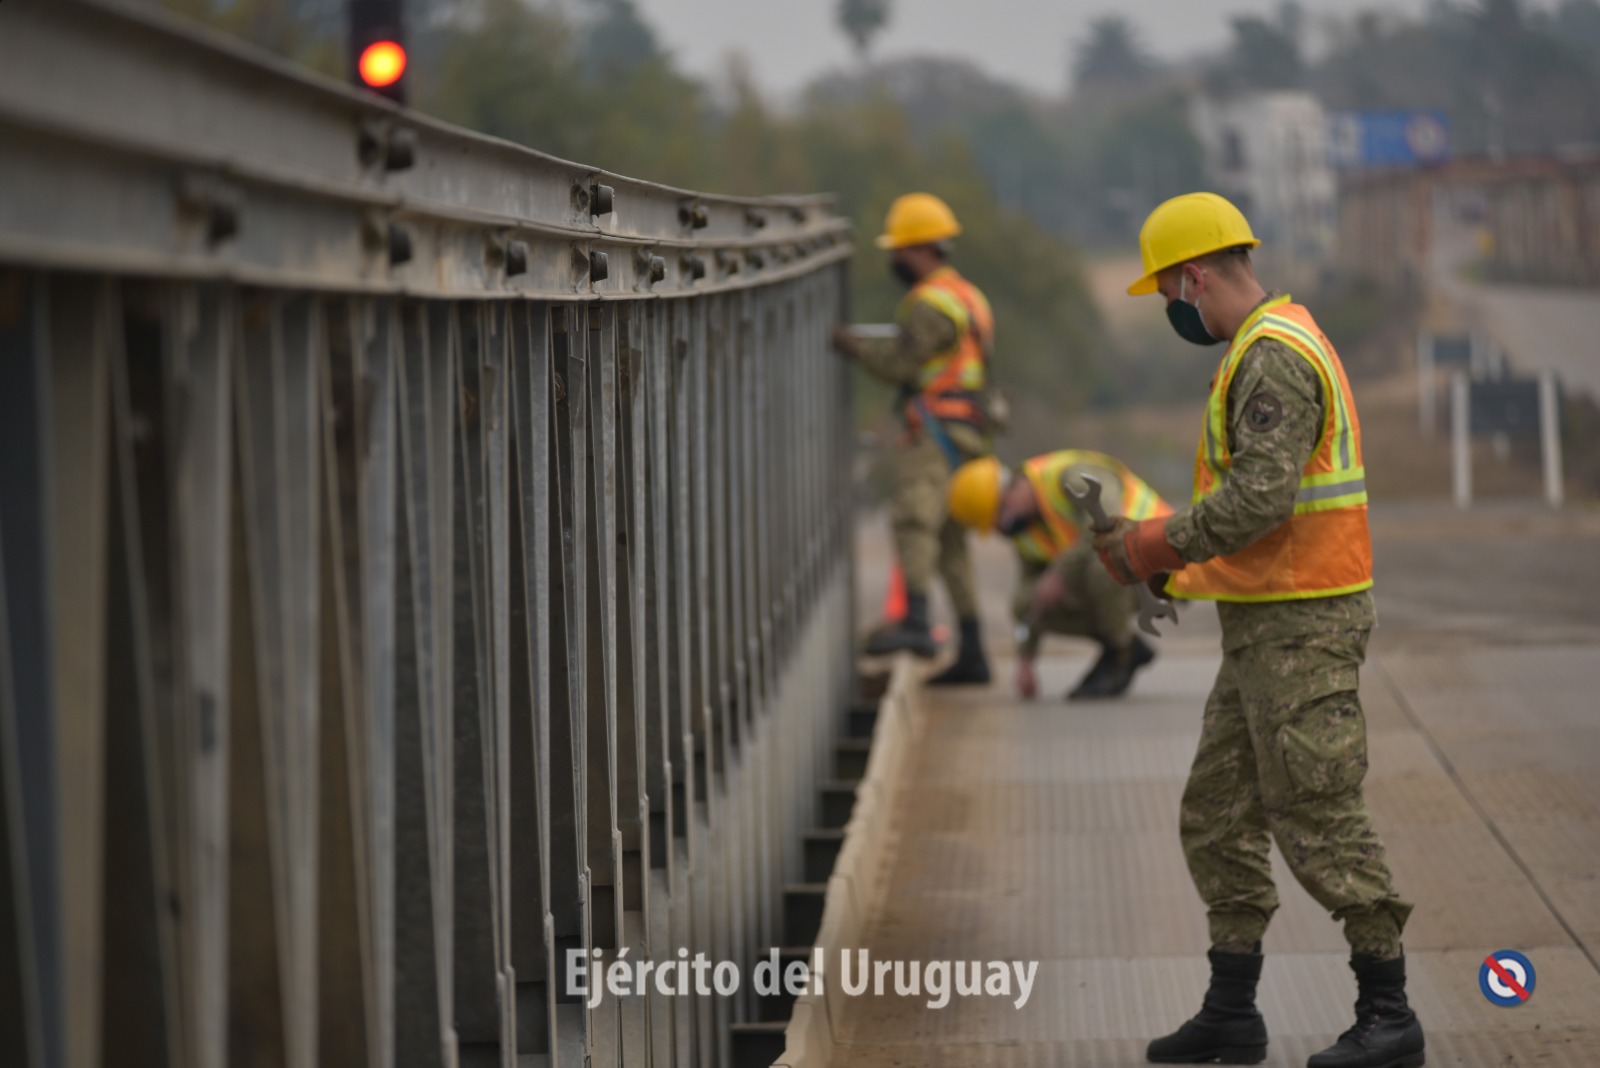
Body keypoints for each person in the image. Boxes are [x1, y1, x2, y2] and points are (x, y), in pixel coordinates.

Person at [1097, 192, 1424, 1068]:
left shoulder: (1272, 358)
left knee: (1315, 811)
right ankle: (1232, 1009)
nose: (1177, 310)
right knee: (1218, 814)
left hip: (1304, 623)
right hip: (1267, 623)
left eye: (1173, 293)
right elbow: (1257, 514)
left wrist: (1150, 543)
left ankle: (1389, 1014)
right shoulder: (1263, 343)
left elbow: (1261, 499)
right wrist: (1172, 562)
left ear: (1196, 275)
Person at [832, 192, 997, 685]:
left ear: (922, 248)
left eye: (898, 250)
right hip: (970, 428)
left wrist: (853, 347)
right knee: (950, 542)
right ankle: (973, 650)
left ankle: (918, 621)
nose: (893, 260)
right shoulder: (970, 296)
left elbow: (901, 364)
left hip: (937, 429)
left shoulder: (929, 304)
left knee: (913, 518)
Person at [946, 451, 1170, 700]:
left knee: (1102, 566)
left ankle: (1119, 653)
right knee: (1026, 601)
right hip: (1115, 575)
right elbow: (1029, 600)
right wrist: (1025, 660)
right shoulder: (1026, 530)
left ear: (1015, 488)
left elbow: (1108, 528)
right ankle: (1125, 645)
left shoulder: (1071, 477)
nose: (1004, 528)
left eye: (1002, 515)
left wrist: (1059, 572)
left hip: (1161, 557)